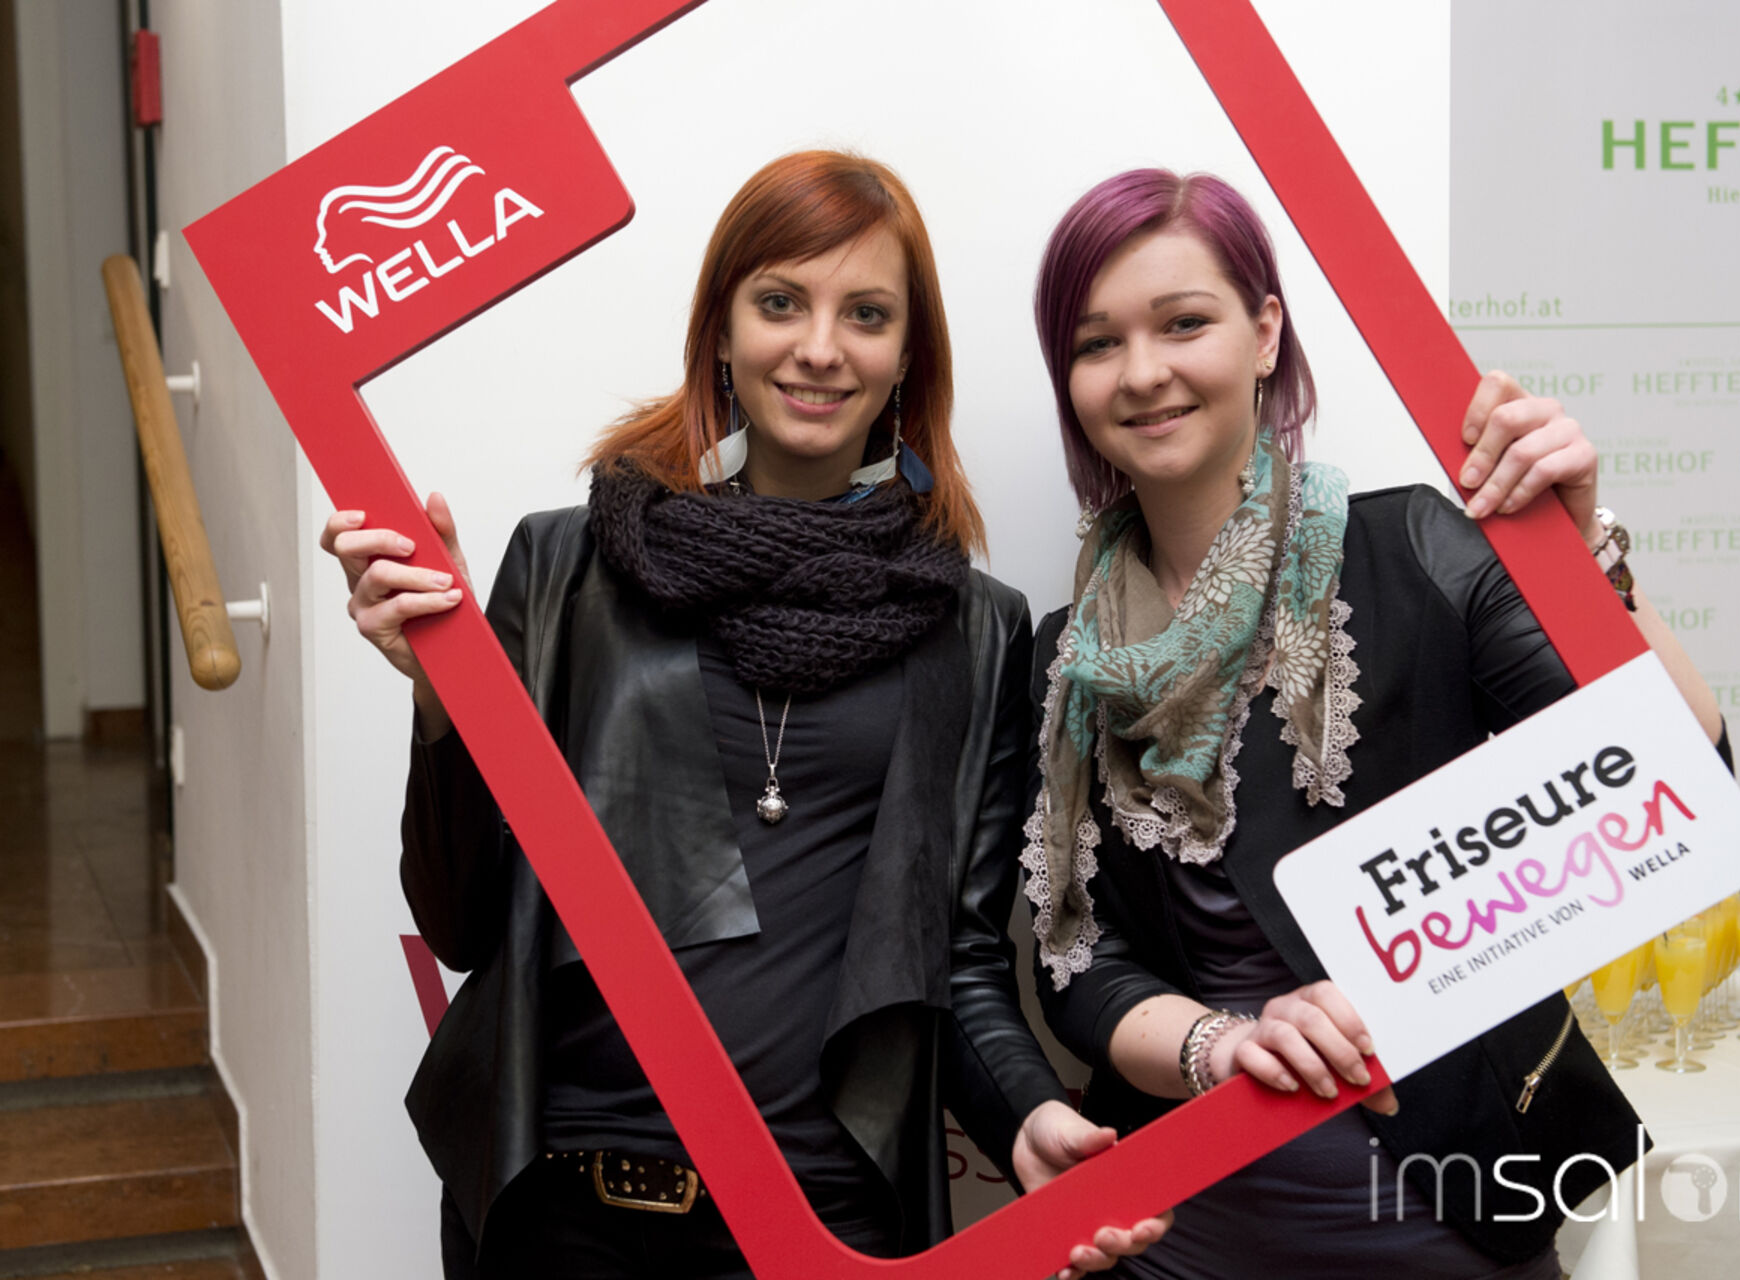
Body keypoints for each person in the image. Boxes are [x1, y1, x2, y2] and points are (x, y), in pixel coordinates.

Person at [321, 151, 1163, 1279]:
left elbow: (957, 959)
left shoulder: (974, 628)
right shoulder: (567, 571)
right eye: (780, 302)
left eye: (866, 314)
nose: (820, 347)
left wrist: (1024, 1117)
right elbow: (464, 921)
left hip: (817, 1223)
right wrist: (443, 693)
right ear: (721, 330)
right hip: (562, 1210)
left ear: (908, 357)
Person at [1021, 169, 1730, 1278]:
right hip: (1178, 1236)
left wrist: (1585, 562)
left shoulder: (1414, 550)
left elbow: (1680, 777)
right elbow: (1081, 961)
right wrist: (1222, 1045)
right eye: (1097, 342)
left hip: (1448, 1214)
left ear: (1265, 332)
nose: (1143, 370)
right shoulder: (1069, 653)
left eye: (1184, 323)